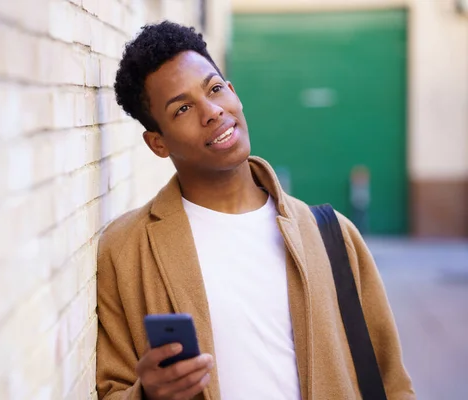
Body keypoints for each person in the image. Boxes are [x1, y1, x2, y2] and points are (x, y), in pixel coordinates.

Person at [96, 21, 415, 400]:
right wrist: (147, 394)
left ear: (233, 92)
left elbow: (391, 383)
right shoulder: (127, 250)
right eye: (182, 108)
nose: (212, 111)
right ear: (158, 143)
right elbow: (112, 389)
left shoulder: (333, 235)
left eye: (214, 89)